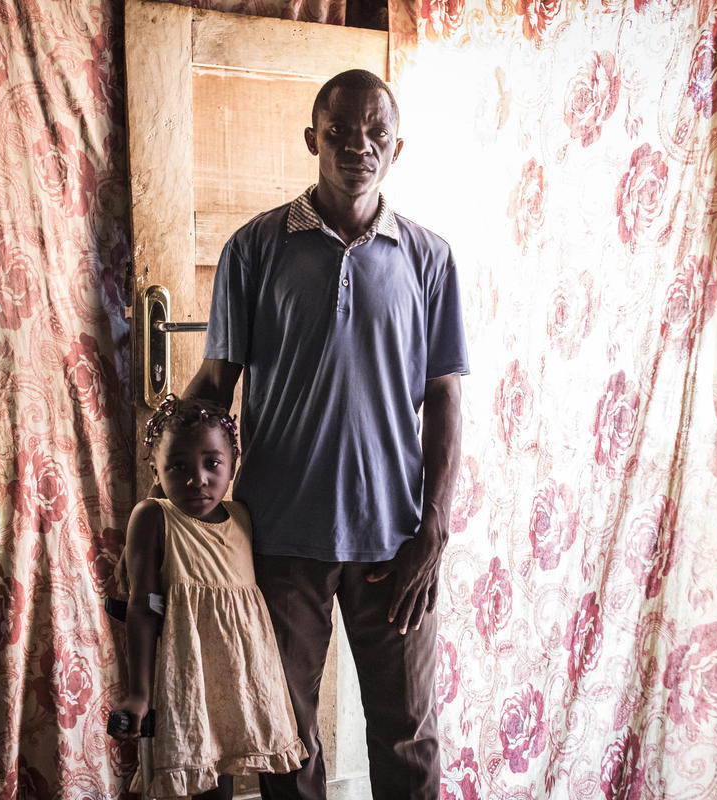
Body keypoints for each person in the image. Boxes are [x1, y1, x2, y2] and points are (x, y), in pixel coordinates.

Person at [185, 69, 468, 799]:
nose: (357, 146)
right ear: (312, 139)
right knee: (286, 738)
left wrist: (434, 526)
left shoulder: (429, 259)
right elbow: (215, 386)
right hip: (282, 536)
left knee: (408, 734)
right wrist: (174, 496)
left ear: (397, 148)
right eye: (339, 131)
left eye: (376, 133)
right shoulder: (254, 248)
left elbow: (444, 399)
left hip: (395, 541)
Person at [113, 394, 308, 800]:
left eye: (212, 463)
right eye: (178, 466)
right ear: (155, 469)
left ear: (233, 465)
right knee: (191, 780)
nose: (197, 479)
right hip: (189, 677)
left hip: (241, 679)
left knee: (224, 778)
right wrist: (139, 694)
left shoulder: (244, 518)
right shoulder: (153, 517)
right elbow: (142, 608)